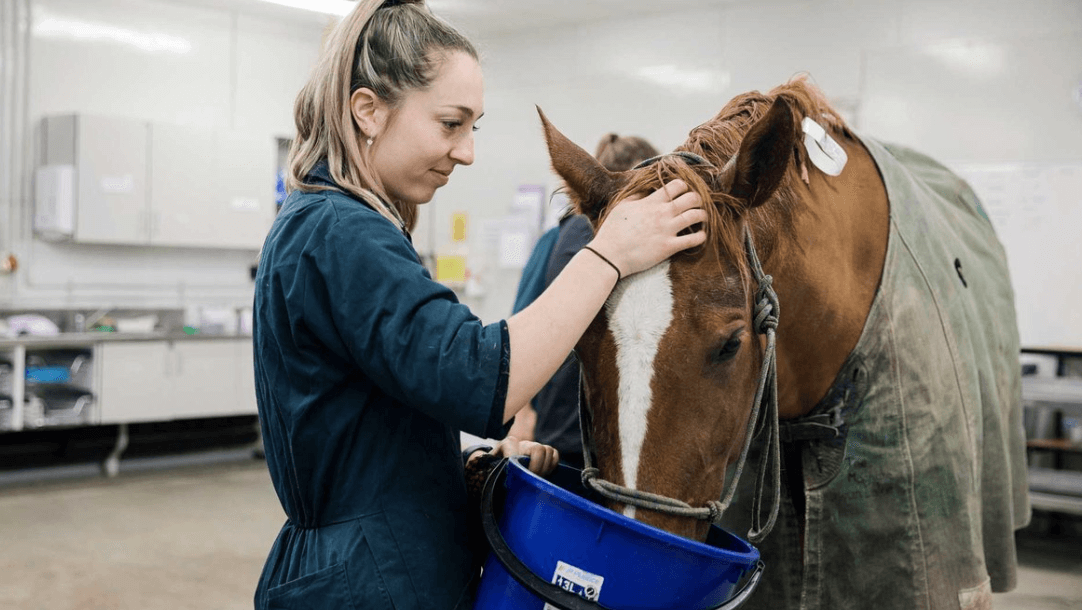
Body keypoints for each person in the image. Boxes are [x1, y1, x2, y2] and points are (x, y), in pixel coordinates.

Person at [251, 1, 707, 608]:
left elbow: (366, 427)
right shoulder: (340, 231)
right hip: (371, 580)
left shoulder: (332, 224)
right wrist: (610, 254)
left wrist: (465, 468)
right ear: (368, 111)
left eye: (475, 128)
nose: (466, 152)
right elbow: (477, 376)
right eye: (449, 124)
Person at [510, 134, 660, 469]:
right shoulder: (589, 237)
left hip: (553, 435)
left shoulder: (551, 239)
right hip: (584, 443)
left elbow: (519, 321)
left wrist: (524, 414)